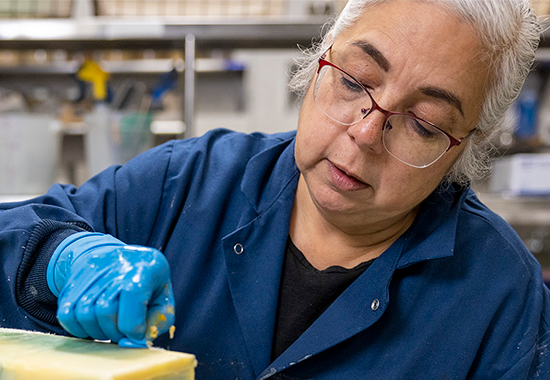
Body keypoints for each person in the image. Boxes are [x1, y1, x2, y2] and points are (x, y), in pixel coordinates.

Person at [1, 0, 549, 378]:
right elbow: (14, 235)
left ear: (463, 147)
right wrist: (59, 257)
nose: (364, 133)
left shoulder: (500, 297)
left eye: (424, 123)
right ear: (318, 63)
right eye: (354, 81)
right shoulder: (187, 185)